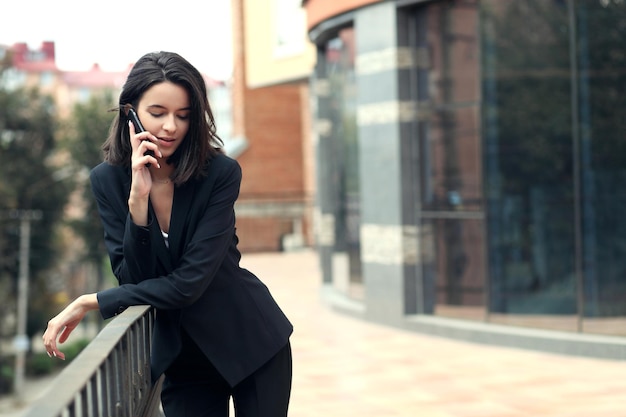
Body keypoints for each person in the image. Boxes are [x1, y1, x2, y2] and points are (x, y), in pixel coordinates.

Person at [42, 51, 293, 417]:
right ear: (130, 111)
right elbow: (133, 276)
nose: (171, 127)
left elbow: (188, 284)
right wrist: (138, 203)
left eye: (184, 115)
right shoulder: (108, 181)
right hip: (183, 361)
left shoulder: (220, 174)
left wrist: (90, 300)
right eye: (158, 113)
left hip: (250, 343)